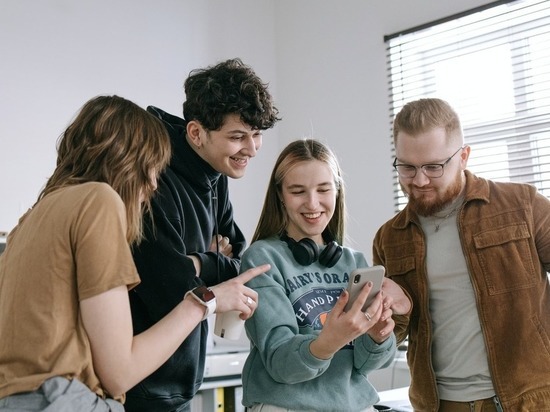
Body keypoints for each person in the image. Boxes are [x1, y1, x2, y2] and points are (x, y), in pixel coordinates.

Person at [0, 95, 268, 412]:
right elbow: (120, 373)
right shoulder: (98, 200)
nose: (154, 185)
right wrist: (208, 301)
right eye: (152, 168)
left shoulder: (29, 220)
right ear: (127, 162)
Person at [372, 97, 550, 411]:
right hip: (441, 405)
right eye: (407, 167)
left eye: (434, 167)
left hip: (530, 401)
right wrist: (382, 319)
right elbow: (388, 337)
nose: (420, 180)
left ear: (463, 156)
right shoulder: (390, 238)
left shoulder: (523, 205)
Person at [125, 58, 280, 411]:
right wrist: (208, 265)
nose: (252, 149)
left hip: (182, 378)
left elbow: (240, 261)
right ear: (196, 133)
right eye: (238, 136)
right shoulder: (154, 178)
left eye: (256, 135)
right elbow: (169, 289)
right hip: (139, 385)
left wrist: (197, 263)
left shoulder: (216, 173)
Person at [240, 139, 412, 412]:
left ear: (337, 191)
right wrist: (329, 341)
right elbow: (280, 363)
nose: (312, 203)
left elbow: (365, 366)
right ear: (280, 195)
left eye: (323, 189)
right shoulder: (262, 259)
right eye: (297, 191)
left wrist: (378, 336)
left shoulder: (353, 262)